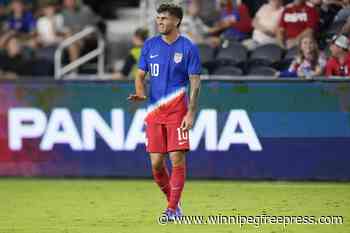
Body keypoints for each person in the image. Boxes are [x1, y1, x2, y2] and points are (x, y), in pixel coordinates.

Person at [128, 4, 201, 220]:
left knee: (177, 158)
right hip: (154, 112)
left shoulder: (188, 47)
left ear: (176, 21)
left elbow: (195, 83)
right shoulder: (149, 45)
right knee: (156, 164)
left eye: (164, 18)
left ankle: (171, 210)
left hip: (178, 110)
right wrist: (140, 93)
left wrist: (191, 113)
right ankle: (175, 206)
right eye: (158, 18)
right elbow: (140, 76)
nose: (159, 21)